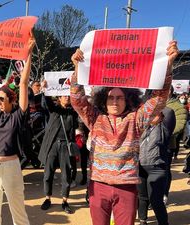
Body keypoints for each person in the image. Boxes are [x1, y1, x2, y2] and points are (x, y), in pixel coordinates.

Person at [70, 40, 178, 225]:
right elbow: (77, 99)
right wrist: (77, 68)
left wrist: (167, 65)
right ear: (103, 99)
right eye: (110, 97)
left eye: (119, 97)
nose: (114, 102)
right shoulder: (95, 119)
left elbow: (159, 99)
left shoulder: (136, 119)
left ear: (127, 99)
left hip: (126, 189)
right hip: (98, 186)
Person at [0, 33, 35, 225]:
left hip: (11, 167)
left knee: (18, 216)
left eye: (3, 99)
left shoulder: (18, 115)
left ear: (12, 100)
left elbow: (24, 83)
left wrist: (29, 53)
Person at [38, 92, 78, 213]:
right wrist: (45, 91)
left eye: (68, 96)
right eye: (64, 95)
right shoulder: (54, 110)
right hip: (53, 145)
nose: (67, 97)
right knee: (48, 174)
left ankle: (65, 201)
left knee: (66, 175)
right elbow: (48, 102)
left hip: (66, 147)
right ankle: (47, 198)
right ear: (59, 98)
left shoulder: (73, 112)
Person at [137, 107, 175, 225]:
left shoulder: (164, 128)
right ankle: (143, 220)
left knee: (156, 200)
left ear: (162, 116)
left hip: (157, 168)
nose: (151, 116)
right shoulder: (144, 128)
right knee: (142, 197)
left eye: (156, 114)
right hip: (141, 167)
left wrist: (158, 101)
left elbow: (169, 112)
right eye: (150, 114)